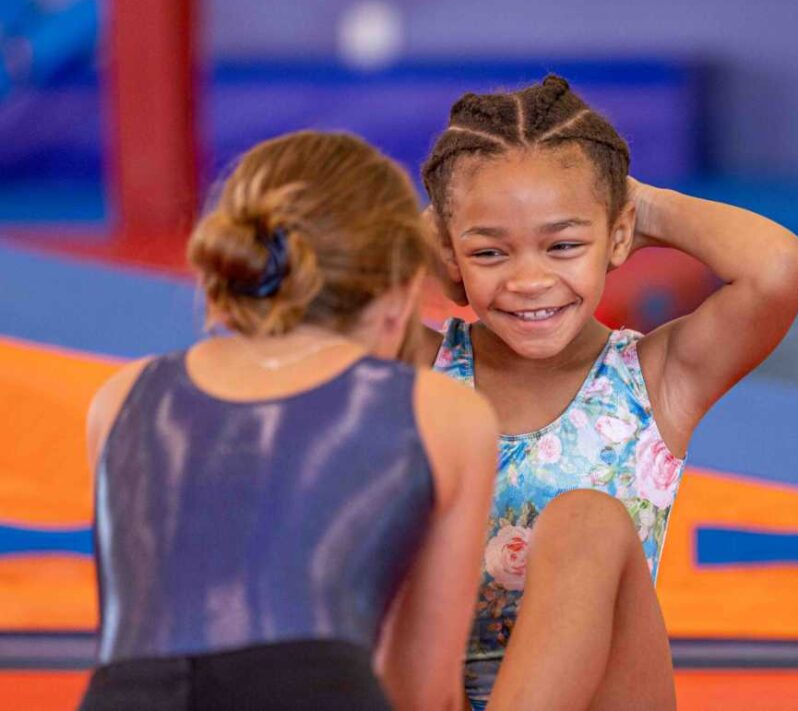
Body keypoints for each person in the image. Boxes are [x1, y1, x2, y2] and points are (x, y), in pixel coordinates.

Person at [417, 75, 798, 710]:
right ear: (449, 253)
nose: (528, 280)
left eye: (564, 245)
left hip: (604, 695)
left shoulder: (652, 377)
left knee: (586, 521)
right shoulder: (419, 368)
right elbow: (313, 304)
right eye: (490, 252)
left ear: (618, 236)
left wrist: (637, 206)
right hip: (438, 691)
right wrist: (436, 234)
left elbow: (777, 269)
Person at [79, 130, 498, 711]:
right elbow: (422, 693)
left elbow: (140, 634)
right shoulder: (440, 411)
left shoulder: (122, 396)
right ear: (402, 294)